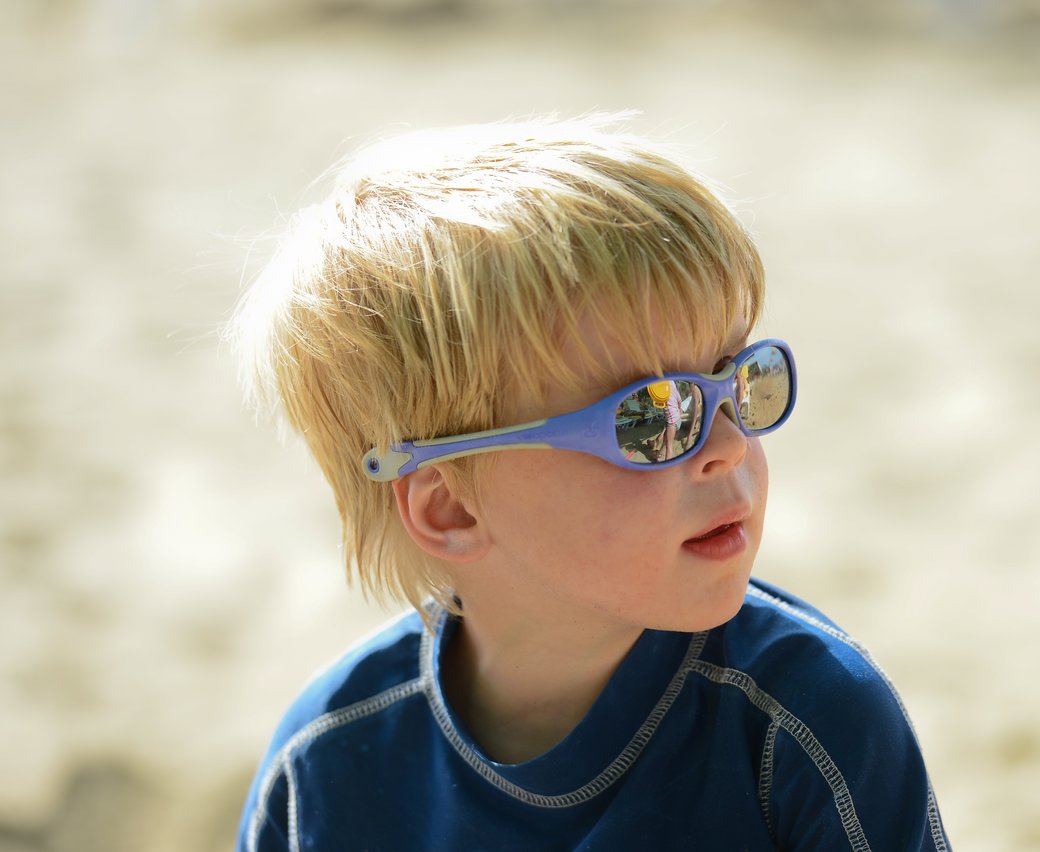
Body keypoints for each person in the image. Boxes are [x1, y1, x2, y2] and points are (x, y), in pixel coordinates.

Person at [230, 113, 950, 851]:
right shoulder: (325, 769)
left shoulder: (807, 723)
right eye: (653, 417)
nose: (730, 447)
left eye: (740, 381)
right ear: (450, 506)